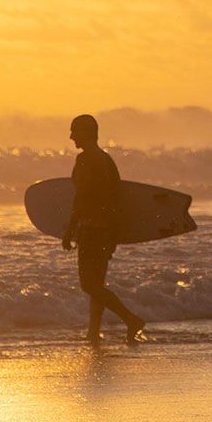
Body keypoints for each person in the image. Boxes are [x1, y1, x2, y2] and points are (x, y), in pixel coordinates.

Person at [62, 114, 144, 344]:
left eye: (74, 131)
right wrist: (116, 232)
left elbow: (81, 197)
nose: (71, 136)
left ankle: (131, 320)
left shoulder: (85, 159)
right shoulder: (106, 159)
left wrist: (70, 230)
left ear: (86, 133)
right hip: (106, 230)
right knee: (97, 285)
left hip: (91, 230)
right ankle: (94, 331)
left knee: (88, 285)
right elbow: (117, 197)